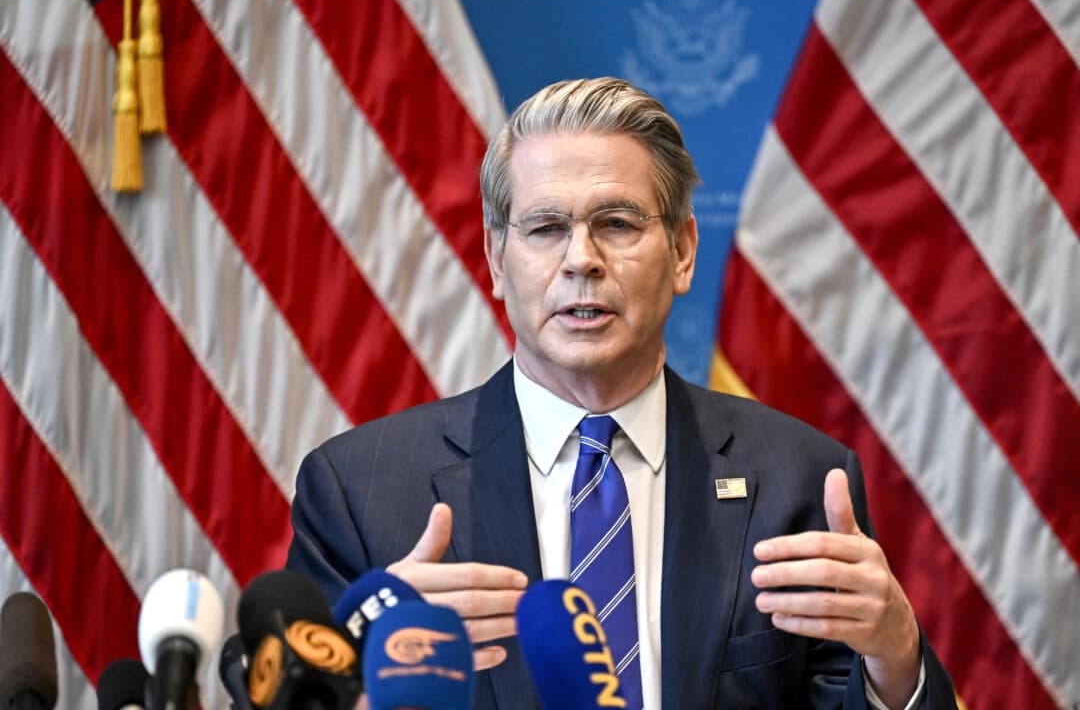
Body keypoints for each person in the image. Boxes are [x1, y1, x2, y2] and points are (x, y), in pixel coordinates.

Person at [287, 77, 956, 709]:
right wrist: (355, 670)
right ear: (496, 259)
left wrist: (895, 655)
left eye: (616, 223)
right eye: (546, 228)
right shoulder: (362, 491)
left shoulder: (799, 481)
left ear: (683, 250)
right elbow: (266, 682)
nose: (581, 259)